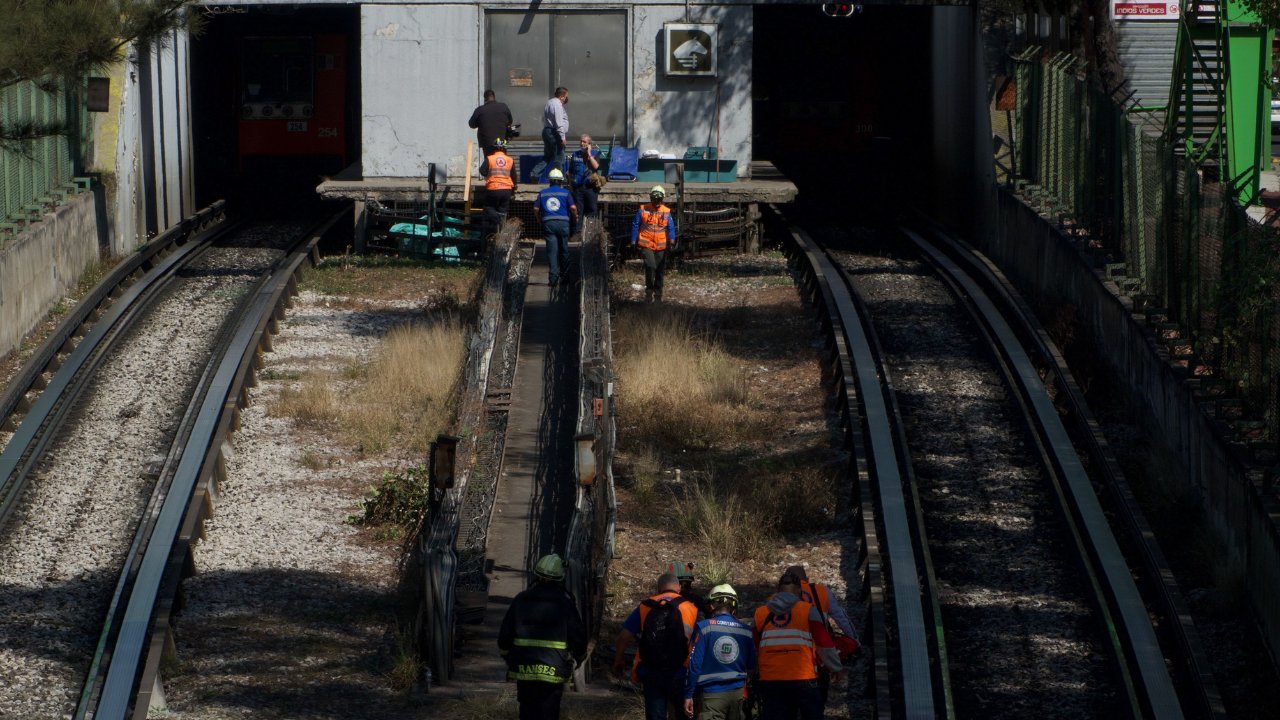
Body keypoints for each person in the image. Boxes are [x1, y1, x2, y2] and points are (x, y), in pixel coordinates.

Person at [498, 554, 589, 720]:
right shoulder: (565, 603)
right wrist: (580, 657)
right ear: (560, 578)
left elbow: (505, 636)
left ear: (537, 575)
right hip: (553, 672)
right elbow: (578, 637)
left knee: (527, 712)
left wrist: (507, 657)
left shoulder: (520, 599)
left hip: (524, 670)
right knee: (549, 713)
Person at [751, 573, 843, 720]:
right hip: (803, 678)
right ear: (799, 591)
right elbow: (824, 644)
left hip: (771, 679)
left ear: (777, 590)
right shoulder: (808, 610)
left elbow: (753, 648)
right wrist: (835, 667)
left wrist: (751, 674)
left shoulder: (760, 614)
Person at [614, 573, 701, 720]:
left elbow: (624, 636)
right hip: (681, 673)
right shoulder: (691, 608)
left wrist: (618, 660)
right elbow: (698, 643)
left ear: (657, 588)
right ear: (679, 588)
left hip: (651, 672)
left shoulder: (645, 606)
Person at [784, 566, 859, 706]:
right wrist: (854, 640)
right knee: (818, 697)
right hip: (819, 652)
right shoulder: (822, 591)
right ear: (806, 580)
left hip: (790, 654)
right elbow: (841, 618)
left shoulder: (779, 598)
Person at [684, 585, 756, 720]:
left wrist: (689, 694)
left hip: (712, 696)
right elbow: (751, 664)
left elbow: (695, 665)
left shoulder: (704, 627)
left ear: (711, 606)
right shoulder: (746, 630)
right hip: (737, 695)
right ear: (734, 608)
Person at [631, 186, 676, 302]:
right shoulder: (643, 209)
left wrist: (672, 241)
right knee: (651, 266)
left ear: (662, 199)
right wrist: (633, 240)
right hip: (646, 244)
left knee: (660, 270)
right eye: (654, 198)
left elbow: (671, 228)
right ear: (651, 198)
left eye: (659, 199)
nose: (657, 201)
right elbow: (636, 225)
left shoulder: (666, 211)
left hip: (661, 246)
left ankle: (658, 295)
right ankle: (649, 293)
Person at [534, 168, 577, 285]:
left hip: (548, 223)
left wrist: (539, 220)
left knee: (552, 251)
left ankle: (553, 279)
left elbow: (536, 208)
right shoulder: (566, 193)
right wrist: (575, 218)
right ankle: (565, 278)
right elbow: (573, 207)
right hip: (564, 223)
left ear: (550, 181)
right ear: (561, 181)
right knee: (564, 250)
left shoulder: (543, 193)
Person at [530, 87, 570, 179]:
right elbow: (559, 123)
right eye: (566, 97)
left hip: (547, 131)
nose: (566, 99)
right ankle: (558, 178)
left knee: (549, 155)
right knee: (559, 157)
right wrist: (562, 137)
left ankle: (535, 173)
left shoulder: (549, 102)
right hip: (554, 133)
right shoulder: (557, 105)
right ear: (561, 96)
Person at [481, 138, 517, 235]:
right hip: (506, 189)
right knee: (503, 211)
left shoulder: (490, 158)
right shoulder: (510, 160)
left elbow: (482, 171)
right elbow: (514, 175)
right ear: (505, 148)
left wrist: (489, 174)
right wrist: (515, 188)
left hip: (493, 188)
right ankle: (502, 232)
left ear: (494, 148)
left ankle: (497, 222)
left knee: (488, 208)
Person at [568, 134, 601, 237]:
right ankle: (577, 232)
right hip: (578, 187)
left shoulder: (595, 154)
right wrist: (570, 185)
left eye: (584, 142)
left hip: (590, 188)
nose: (582, 143)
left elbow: (595, 167)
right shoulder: (575, 155)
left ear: (589, 144)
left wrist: (589, 154)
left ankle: (591, 233)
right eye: (581, 141)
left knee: (592, 210)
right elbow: (570, 171)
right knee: (578, 210)